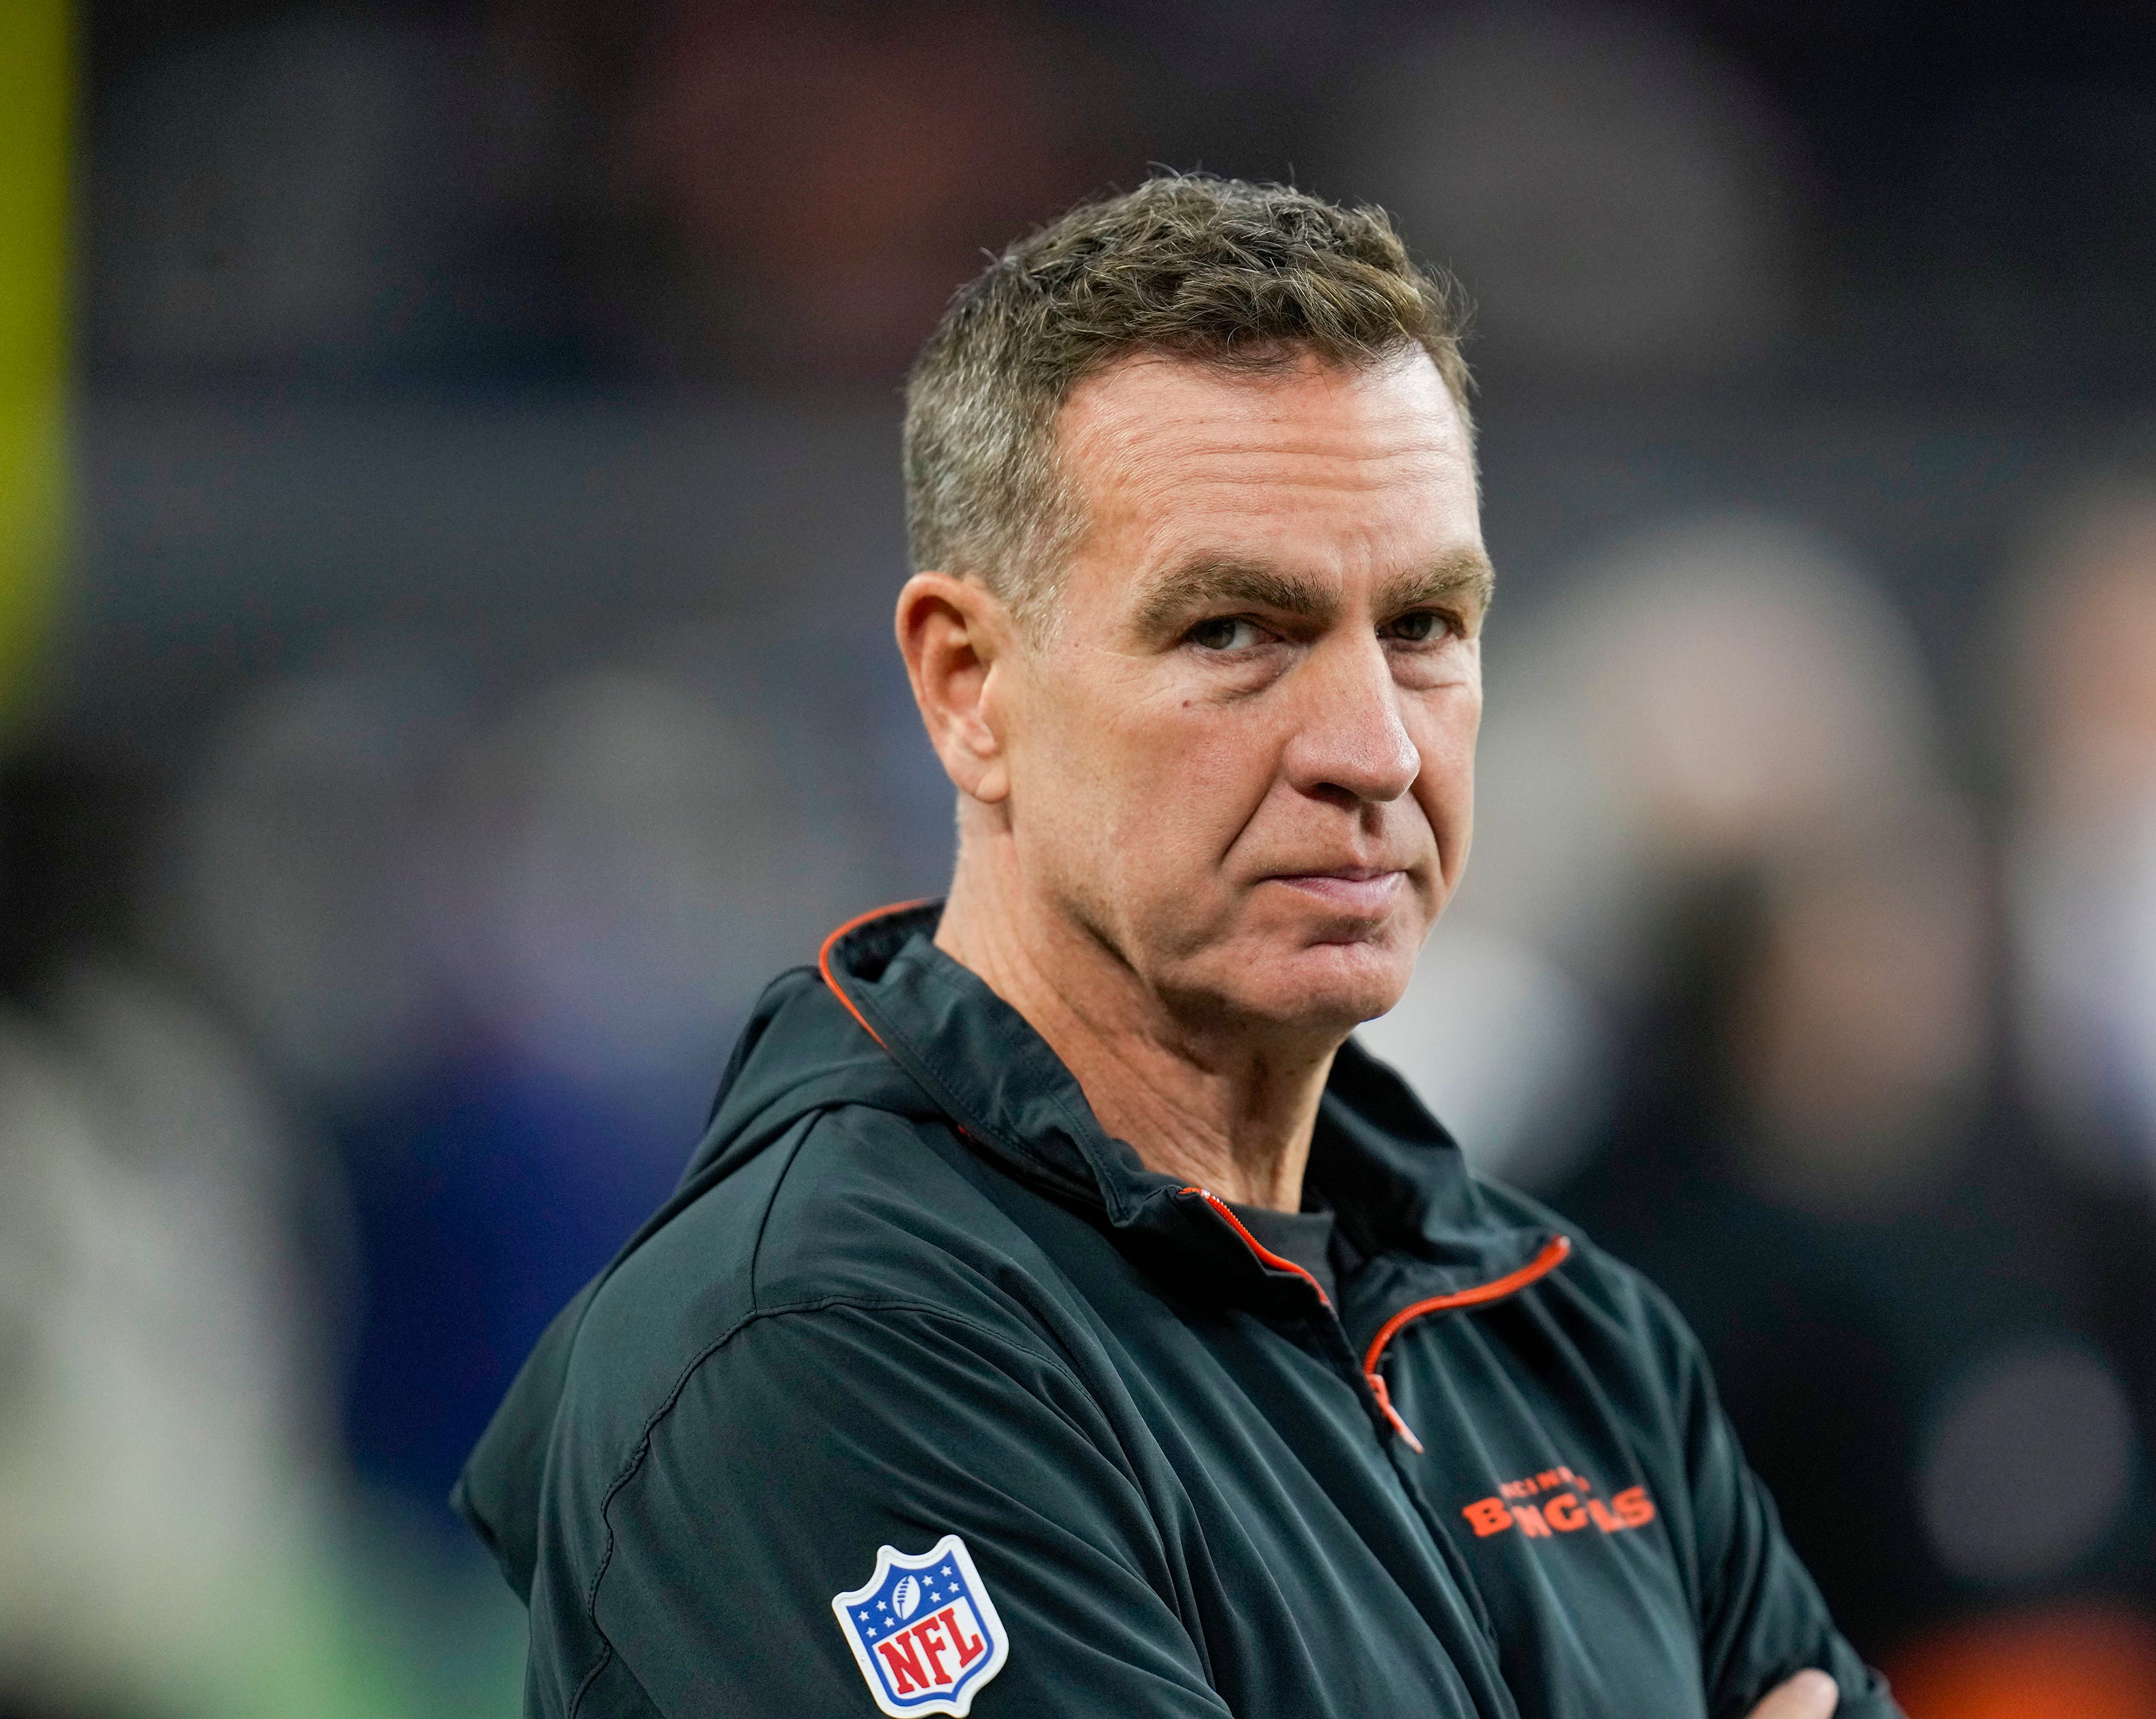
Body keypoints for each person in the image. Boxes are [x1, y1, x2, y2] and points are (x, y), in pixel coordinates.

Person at [455, 174, 1896, 1719]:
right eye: (1233, 632)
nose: (1371, 749)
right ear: (966, 688)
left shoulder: (1560, 1327)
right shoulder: (814, 1359)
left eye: (1421, 627)